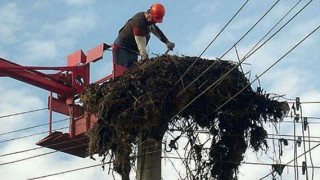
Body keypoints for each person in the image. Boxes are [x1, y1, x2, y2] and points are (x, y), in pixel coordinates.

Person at [112, 3, 175, 76]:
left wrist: (167, 42)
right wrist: (146, 60)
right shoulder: (139, 23)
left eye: (156, 21)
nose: (154, 22)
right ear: (149, 13)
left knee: (132, 72)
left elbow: (155, 30)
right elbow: (141, 45)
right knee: (123, 74)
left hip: (132, 50)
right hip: (122, 48)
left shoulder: (148, 20)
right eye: (154, 20)